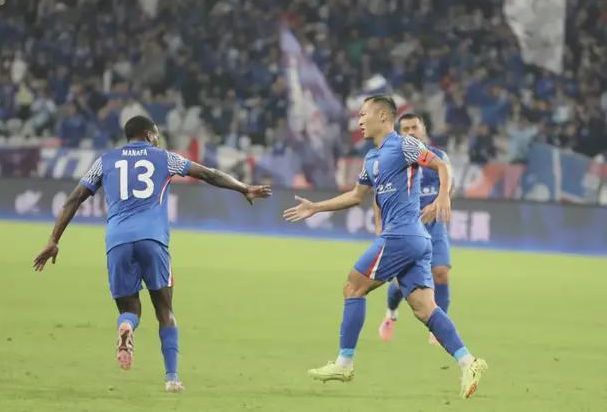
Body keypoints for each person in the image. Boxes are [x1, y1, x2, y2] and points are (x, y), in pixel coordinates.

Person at [33, 115, 271, 392]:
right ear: (148, 135)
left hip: (118, 241)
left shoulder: (104, 161)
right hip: (152, 240)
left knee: (129, 309)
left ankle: (126, 326)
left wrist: (53, 239)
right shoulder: (165, 158)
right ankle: (172, 378)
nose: (158, 139)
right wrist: (244, 188)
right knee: (165, 310)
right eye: (156, 134)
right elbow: (209, 174)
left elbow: (74, 199)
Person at [283, 96, 487, 399]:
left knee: (353, 286)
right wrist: (316, 207)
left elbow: (440, 164)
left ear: (382, 115)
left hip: (401, 234)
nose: (359, 120)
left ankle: (344, 363)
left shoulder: (404, 144)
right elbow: (356, 196)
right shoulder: (371, 158)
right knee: (424, 309)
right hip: (415, 239)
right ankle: (469, 362)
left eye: (363, 114)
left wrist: (443, 196)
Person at [378, 113, 454, 344]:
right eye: (406, 129)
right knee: (402, 283)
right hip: (407, 228)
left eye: (415, 127)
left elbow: (448, 186)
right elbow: (380, 195)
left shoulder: (439, 157)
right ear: (399, 133)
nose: (411, 132)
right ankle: (391, 314)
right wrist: (381, 226)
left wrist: (438, 203)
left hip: (434, 226)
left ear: (423, 130)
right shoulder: (393, 160)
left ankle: (438, 328)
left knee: (441, 272)